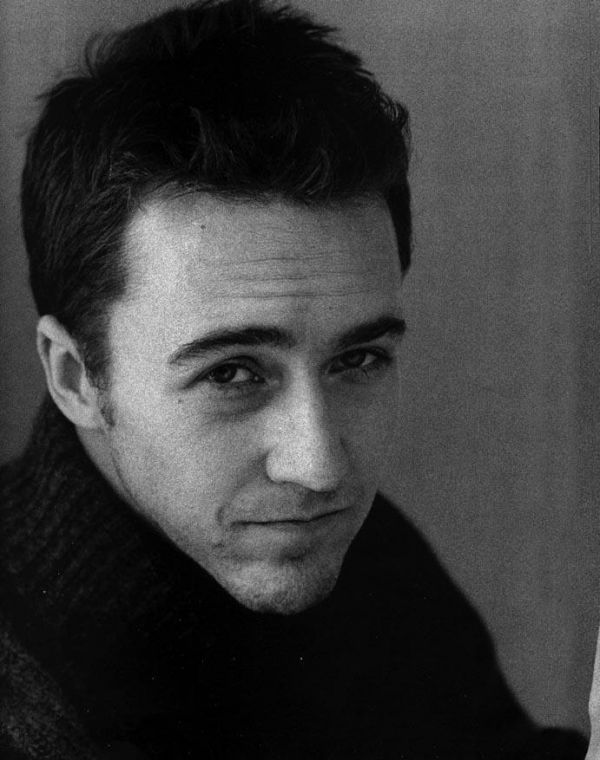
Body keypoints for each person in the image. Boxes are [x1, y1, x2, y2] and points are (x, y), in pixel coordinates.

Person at [0, 1, 588, 758]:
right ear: (75, 376)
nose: (319, 466)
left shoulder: (344, 549)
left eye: (357, 360)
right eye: (233, 372)